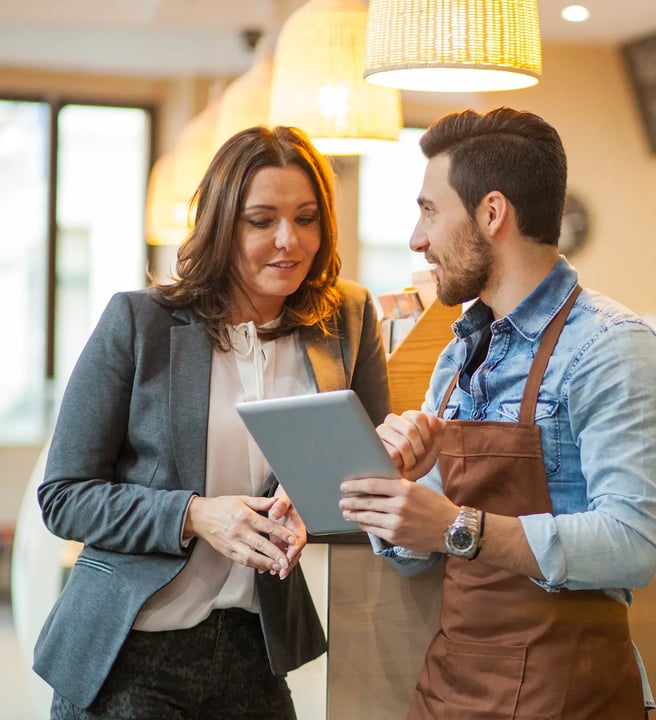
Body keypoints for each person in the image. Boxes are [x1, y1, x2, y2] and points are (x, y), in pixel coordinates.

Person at [34, 125, 391, 719]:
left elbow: (367, 485)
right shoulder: (138, 322)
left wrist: (315, 504)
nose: (289, 241)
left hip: (255, 649)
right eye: (262, 220)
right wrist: (197, 515)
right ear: (223, 223)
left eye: (307, 218)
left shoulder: (347, 321)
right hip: (131, 648)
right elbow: (64, 497)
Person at [339, 107, 656, 719]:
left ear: (492, 213)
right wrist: (400, 487)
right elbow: (422, 553)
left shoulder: (613, 349)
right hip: (450, 689)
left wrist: (456, 527)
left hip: (567, 694)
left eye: (429, 211)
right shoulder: (456, 356)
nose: (418, 239)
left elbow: (634, 543)